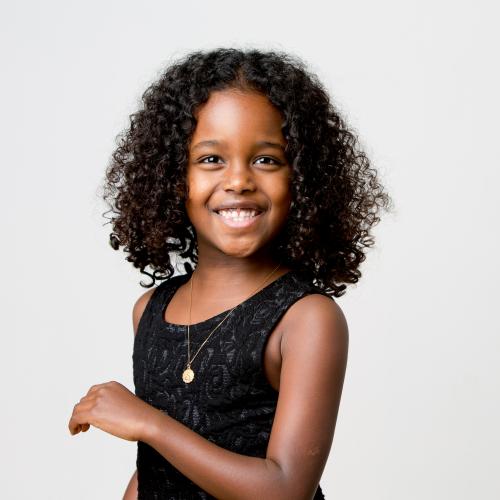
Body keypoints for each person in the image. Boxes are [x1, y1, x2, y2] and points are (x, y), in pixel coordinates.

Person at [68, 48, 391, 499]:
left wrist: (146, 422)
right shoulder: (151, 310)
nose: (238, 180)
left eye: (266, 160)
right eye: (211, 160)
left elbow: (285, 488)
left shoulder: (306, 319)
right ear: (171, 177)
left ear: (302, 179)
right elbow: (157, 469)